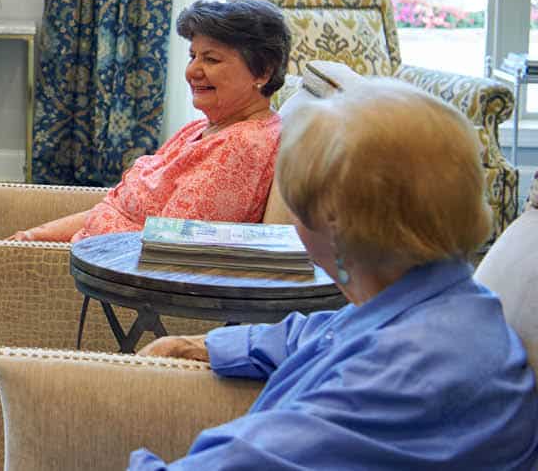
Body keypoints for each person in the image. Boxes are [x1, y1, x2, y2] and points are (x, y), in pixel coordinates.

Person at [0, 0, 292, 471]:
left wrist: (55, 254)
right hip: (99, 264)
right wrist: (38, 235)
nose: (194, 70)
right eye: (192, 56)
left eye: (212, 59)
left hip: (126, 295)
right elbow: (119, 204)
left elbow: (165, 248)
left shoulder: (243, 148)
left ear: (262, 70)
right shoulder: (203, 130)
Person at [131, 77, 538, 469]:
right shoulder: (440, 299)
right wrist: (193, 344)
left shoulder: (404, 376)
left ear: (335, 227)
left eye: (296, 209)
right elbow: (320, 333)